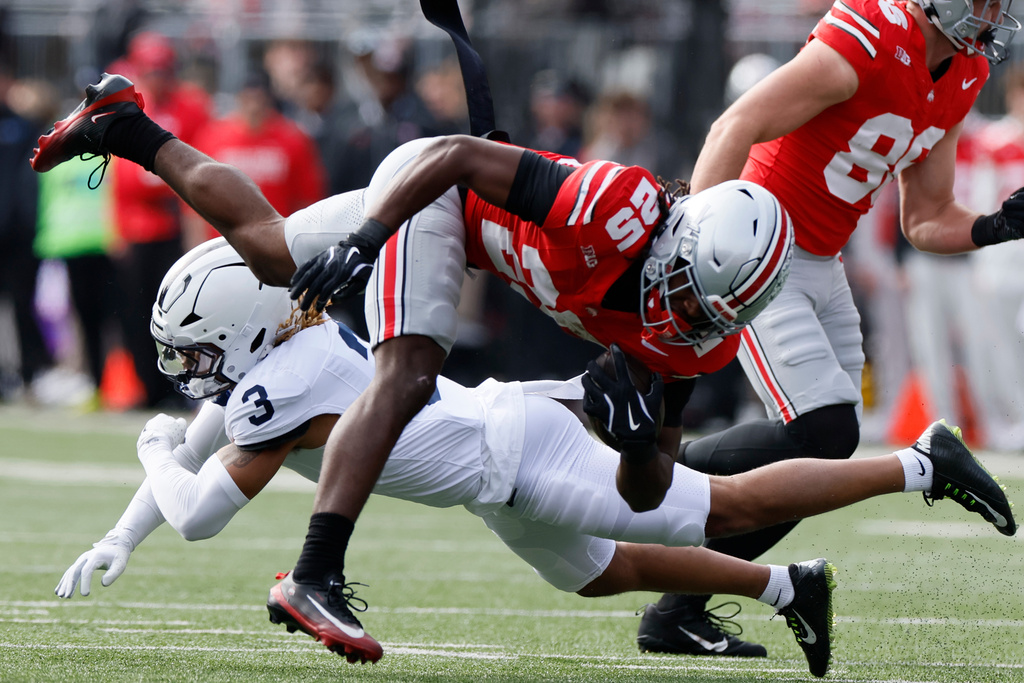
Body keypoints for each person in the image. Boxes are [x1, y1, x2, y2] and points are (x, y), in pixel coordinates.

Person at [29, 72, 796, 664]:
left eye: (717, 311)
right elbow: (457, 157)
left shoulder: (695, 330)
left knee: (268, 248)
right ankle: (314, 573)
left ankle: (126, 125)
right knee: (405, 368)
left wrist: (634, 440)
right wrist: (365, 241)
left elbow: (652, 476)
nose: (696, 317)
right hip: (433, 204)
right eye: (697, 294)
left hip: (452, 259)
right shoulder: (615, 208)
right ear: (678, 245)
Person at [54, 240, 1016, 679]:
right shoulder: (280, 363)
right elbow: (203, 437)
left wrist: (144, 450)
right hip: (493, 466)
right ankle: (788, 586)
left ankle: (919, 462)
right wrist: (116, 535)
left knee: (710, 504)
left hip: (516, 449)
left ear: (247, 326)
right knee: (607, 575)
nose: (189, 370)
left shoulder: (284, 377)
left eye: (198, 345)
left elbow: (198, 505)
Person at [636, 0, 1024, 658]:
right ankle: (648, 470)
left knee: (822, 453)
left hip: (823, 258)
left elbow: (926, 218)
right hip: (762, 243)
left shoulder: (964, 73)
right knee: (825, 429)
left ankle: (675, 605)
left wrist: (997, 225)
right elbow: (739, 123)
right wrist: (696, 242)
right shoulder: (875, 29)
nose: (993, 12)